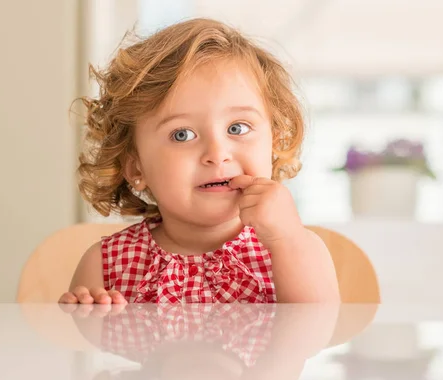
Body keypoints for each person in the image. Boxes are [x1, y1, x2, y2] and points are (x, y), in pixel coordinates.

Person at [59, 18, 339, 304]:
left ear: (274, 144)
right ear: (136, 168)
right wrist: (88, 324)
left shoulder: (296, 248)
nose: (217, 154)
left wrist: (287, 241)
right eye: (182, 134)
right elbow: (82, 350)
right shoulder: (105, 265)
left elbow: (312, 337)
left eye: (237, 128)